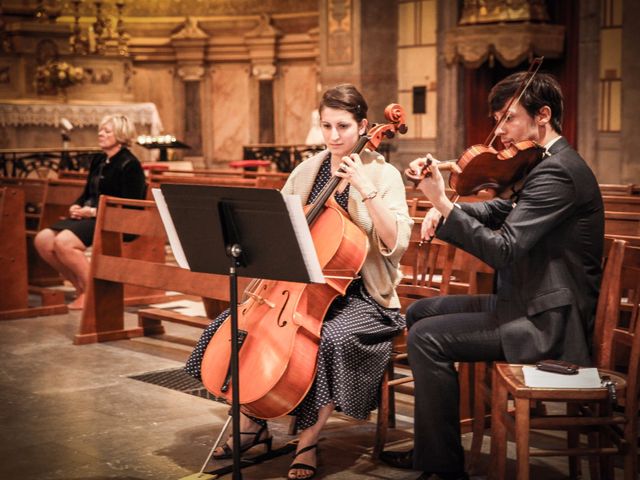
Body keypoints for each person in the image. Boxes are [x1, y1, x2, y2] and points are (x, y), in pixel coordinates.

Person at [379, 72, 604, 480]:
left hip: (548, 321)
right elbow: (502, 211)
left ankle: (442, 469)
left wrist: (445, 206)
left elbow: (504, 249)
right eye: (498, 118)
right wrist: (450, 208)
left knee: (427, 338)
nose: (500, 130)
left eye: (509, 117)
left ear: (543, 116)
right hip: (526, 301)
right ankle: (435, 449)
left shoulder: (559, 172)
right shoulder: (545, 163)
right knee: (421, 313)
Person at [185, 84, 413, 479]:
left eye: (343, 126)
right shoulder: (307, 170)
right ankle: (253, 425)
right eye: (326, 125)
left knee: (332, 339)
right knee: (235, 325)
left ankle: (308, 442)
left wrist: (365, 188)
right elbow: (277, 230)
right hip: (297, 289)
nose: (334, 136)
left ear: (363, 126)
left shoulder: (383, 173)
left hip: (362, 296)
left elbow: (396, 245)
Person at [34, 115, 146, 310]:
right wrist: (76, 206)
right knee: (43, 240)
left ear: (120, 135)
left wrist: (94, 212)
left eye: (107, 131)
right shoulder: (99, 159)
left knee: (64, 243)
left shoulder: (130, 164)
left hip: (114, 220)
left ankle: (92, 291)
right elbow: (88, 192)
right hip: (93, 216)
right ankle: (79, 285)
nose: (100, 134)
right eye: (100, 130)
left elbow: (132, 206)